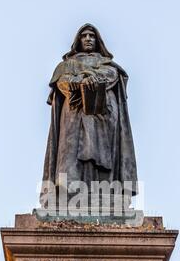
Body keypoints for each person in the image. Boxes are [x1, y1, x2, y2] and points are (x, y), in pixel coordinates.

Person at [42, 23, 138, 199]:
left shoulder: (108, 65)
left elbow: (112, 76)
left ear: (97, 40)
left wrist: (92, 78)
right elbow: (62, 82)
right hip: (73, 113)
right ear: (78, 40)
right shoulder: (67, 65)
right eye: (84, 36)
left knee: (103, 154)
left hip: (103, 113)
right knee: (70, 153)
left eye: (92, 36)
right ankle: (69, 195)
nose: (88, 39)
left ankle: (105, 195)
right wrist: (82, 81)